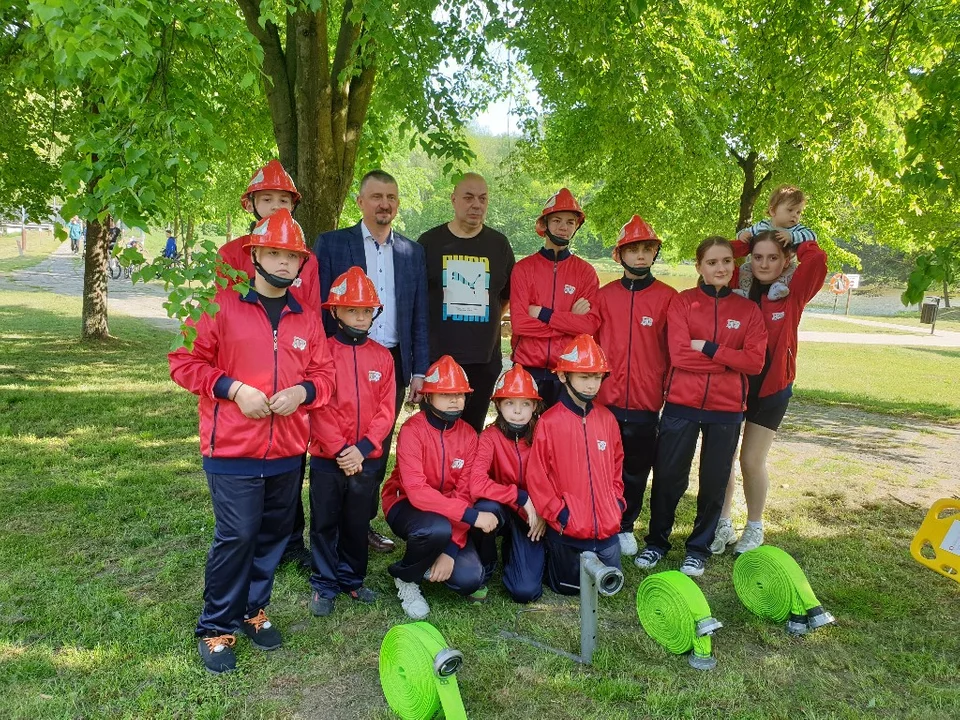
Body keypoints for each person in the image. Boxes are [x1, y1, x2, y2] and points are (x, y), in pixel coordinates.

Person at [168, 208, 334, 674]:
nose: (284, 263)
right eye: (275, 253)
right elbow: (184, 362)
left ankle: (252, 610)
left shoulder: (307, 319)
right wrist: (234, 389)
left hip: (287, 451)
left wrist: (302, 392)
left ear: (302, 265)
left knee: (273, 535)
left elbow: (326, 377)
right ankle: (215, 626)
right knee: (237, 535)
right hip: (232, 450)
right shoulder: (220, 305)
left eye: (292, 256)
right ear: (255, 254)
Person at [635, 237, 767, 578]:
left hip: (726, 409)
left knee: (714, 479)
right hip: (682, 403)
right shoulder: (683, 304)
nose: (720, 268)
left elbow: (753, 362)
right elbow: (679, 355)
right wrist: (728, 361)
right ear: (700, 267)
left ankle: (698, 548)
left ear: (733, 266)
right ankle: (657, 542)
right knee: (668, 476)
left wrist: (709, 348)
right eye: (712, 262)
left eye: (726, 261)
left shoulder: (748, 310)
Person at [314, 169, 430, 554]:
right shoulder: (331, 244)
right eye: (377, 196)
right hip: (340, 356)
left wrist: (418, 369)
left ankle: (359, 527)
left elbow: (418, 314)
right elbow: (319, 308)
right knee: (336, 437)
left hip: (391, 359)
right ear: (360, 202)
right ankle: (330, 529)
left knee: (375, 444)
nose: (385, 204)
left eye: (392, 197)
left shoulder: (412, 252)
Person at [218, 160, 321, 569]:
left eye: (283, 199)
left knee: (290, 462)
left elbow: (308, 311)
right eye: (267, 198)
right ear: (252, 203)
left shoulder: (303, 258)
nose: (275, 205)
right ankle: (245, 537)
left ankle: (290, 539)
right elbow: (223, 317)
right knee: (246, 466)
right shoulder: (231, 253)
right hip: (244, 372)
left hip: (291, 369)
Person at [710, 229, 828, 555]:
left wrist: (800, 238)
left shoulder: (793, 293)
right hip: (734, 386)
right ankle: (722, 523)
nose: (764, 263)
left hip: (772, 390)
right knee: (724, 458)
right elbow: (715, 257)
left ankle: (754, 526)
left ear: (785, 260)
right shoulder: (736, 286)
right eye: (757, 256)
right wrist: (744, 241)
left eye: (773, 257)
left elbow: (816, 261)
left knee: (750, 460)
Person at [381, 355, 502, 619]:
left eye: (460, 394)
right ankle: (406, 578)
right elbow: (417, 491)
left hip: (451, 515)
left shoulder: (470, 435)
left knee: (470, 579)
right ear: (428, 397)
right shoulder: (412, 431)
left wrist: (450, 549)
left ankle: (434, 554)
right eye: (446, 394)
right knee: (435, 528)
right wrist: (470, 517)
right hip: (406, 505)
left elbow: (465, 493)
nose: (455, 400)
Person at [307, 267, 397, 617]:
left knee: (357, 521)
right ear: (335, 312)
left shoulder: (383, 357)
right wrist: (340, 450)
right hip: (329, 458)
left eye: (366, 310)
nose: (360, 317)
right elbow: (319, 406)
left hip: (366, 457)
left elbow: (387, 409)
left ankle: (352, 579)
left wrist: (362, 448)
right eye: (352, 310)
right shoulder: (322, 354)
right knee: (325, 520)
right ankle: (325, 583)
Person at [594, 215, 677, 557]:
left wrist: (665, 390)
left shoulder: (669, 298)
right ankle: (602, 519)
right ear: (620, 255)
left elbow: (674, 352)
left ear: (655, 253)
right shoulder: (604, 296)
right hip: (605, 399)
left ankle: (626, 525)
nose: (640, 256)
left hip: (645, 401)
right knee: (603, 465)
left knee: (636, 468)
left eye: (647, 249)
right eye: (633, 250)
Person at [525, 334, 625, 595]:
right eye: (584, 377)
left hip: (607, 532)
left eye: (596, 377)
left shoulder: (607, 419)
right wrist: (559, 513)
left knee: (608, 589)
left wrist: (616, 504)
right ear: (563, 377)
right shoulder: (549, 422)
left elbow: (616, 467)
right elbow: (538, 477)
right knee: (569, 589)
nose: (592, 385)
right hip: (567, 530)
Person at [418, 173, 516, 432]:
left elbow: (504, 296)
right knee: (435, 436)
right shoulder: (429, 243)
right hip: (437, 360)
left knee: (471, 435)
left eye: (483, 199)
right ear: (453, 200)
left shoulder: (499, 245)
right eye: (469, 197)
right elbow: (416, 301)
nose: (476, 204)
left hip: (483, 363)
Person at [509, 189, 600, 409]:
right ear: (545, 224)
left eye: (570, 222)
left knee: (562, 440)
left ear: (576, 226)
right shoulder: (523, 269)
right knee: (525, 438)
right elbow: (520, 324)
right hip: (528, 369)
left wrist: (543, 314)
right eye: (557, 220)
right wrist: (569, 322)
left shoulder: (585, 272)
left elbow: (589, 326)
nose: (564, 227)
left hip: (569, 372)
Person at [468, 365, 547, 603]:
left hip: (532, 517)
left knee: (525, 592)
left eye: (525, 404)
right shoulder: (489, 437)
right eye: (510, 403)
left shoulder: (544, 434)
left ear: (535, 407)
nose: (517, 411)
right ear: (498, 405)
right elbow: (476, 483)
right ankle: (484, 565)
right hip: (502, 509)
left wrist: (545, 512)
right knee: (485, 509)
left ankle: (519, 551)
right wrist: (519, 496)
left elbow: (557, 479)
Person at [735, 185, 817, 301]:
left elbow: (813, 236)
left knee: (792, 269)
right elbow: (746, 232)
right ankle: (745, 291)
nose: (795, 215)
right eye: (790, 210)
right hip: (758, 268)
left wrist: (792, 236)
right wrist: (741, 235)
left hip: (783, 268)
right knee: (745, 268)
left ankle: (778, 288)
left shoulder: (796, 229)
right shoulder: (762, 225)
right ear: (773, 211)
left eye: (798, 212)